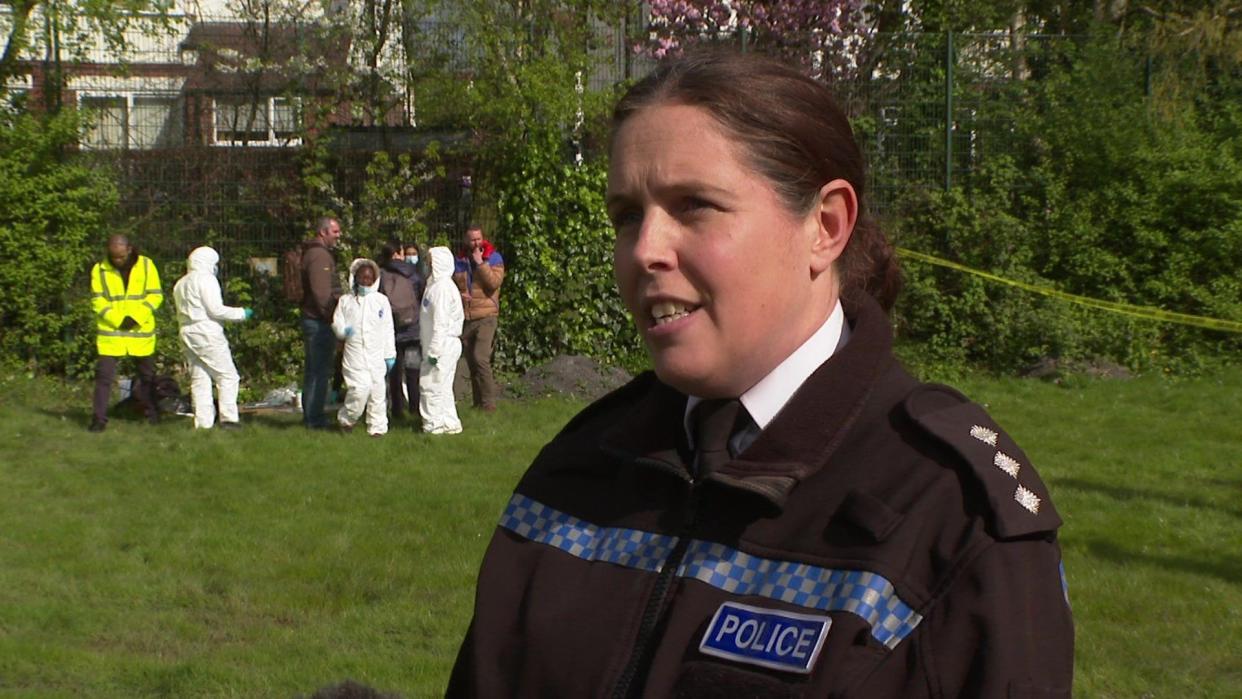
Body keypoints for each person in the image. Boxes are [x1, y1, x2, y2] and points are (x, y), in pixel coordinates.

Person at [448, 51, 1073, 697]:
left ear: (825, 227)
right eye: (627, 215)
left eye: (694, 205)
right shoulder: (576, 470)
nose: (644, 250)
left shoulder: (951, 517)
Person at [172, 246, 253, 430]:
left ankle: (203, 422)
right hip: (206, 330)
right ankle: (229, 419)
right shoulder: (206, 279)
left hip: (186, 331)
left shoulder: (181, 283)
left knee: (199, 377)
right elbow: (215, 309)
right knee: (227, 376)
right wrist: (242, 313)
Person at [88, 234, 163, 432]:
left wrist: (136, 317)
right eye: (114, 257)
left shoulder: (147, 266)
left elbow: (155, 295)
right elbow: (97, 300)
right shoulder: (99, 270)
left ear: (129, 249)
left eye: (121, 257)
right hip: (111, 334)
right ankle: (98, 420)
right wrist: (117, 319)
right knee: (104, 377)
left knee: (148, 376)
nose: (117, 261)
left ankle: (152, 414)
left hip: (140, 332)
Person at [331, 259, 396, 437]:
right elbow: (337, 323)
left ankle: (377, 428)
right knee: (360, 389)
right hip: (354, 354)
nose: (366, 280)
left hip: (376, 354)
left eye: (369, 278)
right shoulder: (346, 301)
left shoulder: (381, 301)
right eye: (362, 277)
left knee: (377, 392)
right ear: (355, 277)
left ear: (375, 279)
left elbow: (388, 328)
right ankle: (347, 418)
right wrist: (344, 331)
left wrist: (390, 354)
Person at [452, 225, 504, 411]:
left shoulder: (494, 258)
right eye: (472, 239)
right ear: (466, 240)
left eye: (478, 239)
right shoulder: (459, 260)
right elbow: (454, 285)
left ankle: (489, 404)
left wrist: (481, 263)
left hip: (487, 315)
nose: (475, 243)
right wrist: (459, 295)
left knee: (480, 357)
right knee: (471, 361)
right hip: (467, 316)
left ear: (483, 238)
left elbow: (494, 283)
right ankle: (477, 403)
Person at [300, 217, 343, 429]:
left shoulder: (315, 253)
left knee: (314, 370)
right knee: (319, 371)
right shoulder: (319, 256)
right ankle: (314, 418)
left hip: (314, 319)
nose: (338, 235)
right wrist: (331, 318)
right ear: (323, 232)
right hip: (319, 322)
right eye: (335, 231)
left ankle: (311, 414)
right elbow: (321, 293)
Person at [378, 241, 425, 421]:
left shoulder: (381, 274)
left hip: (392, 332)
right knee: (413, 371)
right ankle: (415, 407)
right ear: (400, 252)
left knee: (394, 373)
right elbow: (421, 296)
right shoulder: (414, 273)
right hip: (413, 331)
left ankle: (397, 409)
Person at [419, 246, 464, 435]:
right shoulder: (437, 286)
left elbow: (441, 323)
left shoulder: (442, 289)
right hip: (443, 344)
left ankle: (432, 426)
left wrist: (434, 352)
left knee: (430, 385)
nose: (427, 265)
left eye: (430, 262)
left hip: (441, 345)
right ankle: (449, 423)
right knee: (444, 387)